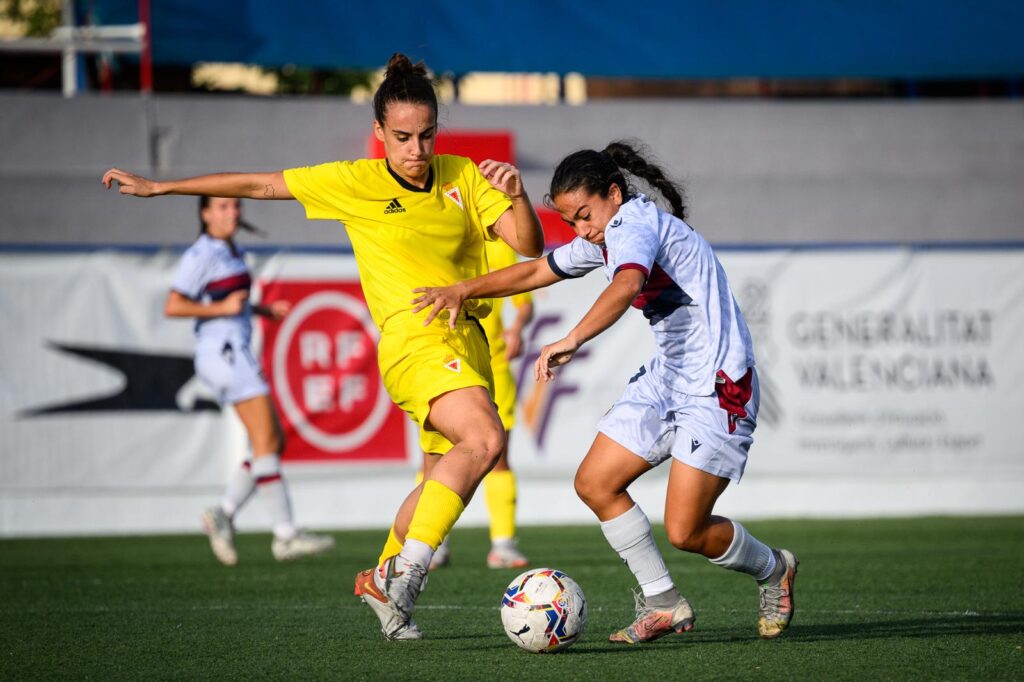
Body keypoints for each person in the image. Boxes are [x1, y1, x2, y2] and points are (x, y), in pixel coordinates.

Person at [102, 53, 544, 641]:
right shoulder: (356, 181)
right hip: (414, 340)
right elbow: (258, 183)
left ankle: (384, 589)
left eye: (427, 136)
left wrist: (516, 194)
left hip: (469, 342)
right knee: (486, 439)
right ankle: (407, 575)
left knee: (441, 471)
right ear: (381, 133)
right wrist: (163, 186)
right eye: (403, 137)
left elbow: (527, 245)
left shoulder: (463, 175)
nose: (416, 150)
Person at [412, 140, 798, 642]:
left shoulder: (633, 223)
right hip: (670, 377)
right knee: (595, 483)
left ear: (614, 194)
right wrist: (463, 289)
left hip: (719, 385)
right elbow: (536, 269)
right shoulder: (604, 235)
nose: (582, 230)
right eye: (572, 221)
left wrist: (572, 338)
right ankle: (663, 602)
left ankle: (773, 569)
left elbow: (626, 284)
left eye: (585, 215)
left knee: (687, 531)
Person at [166, 196, 335, 565]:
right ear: (205, 213)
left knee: (271, 441)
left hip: (234, 351)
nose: (232, 213)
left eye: (236, 206)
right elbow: (174, 304)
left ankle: (223, 513)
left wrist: (259, 309)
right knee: (266, 442)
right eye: (223, 207)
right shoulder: (203, 253)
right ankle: (285, 535)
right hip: (224, 353)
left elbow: (229, 297)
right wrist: (221, 309)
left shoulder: (229, 249)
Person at [426, 237, 534, 571]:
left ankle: (502, 544)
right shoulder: (437, 236)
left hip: (493, 365)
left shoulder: (501, 248)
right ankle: (432, 542)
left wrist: (516, 327)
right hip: (441, 360)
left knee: (498, 455)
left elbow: (525, 301)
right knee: (434, 456)